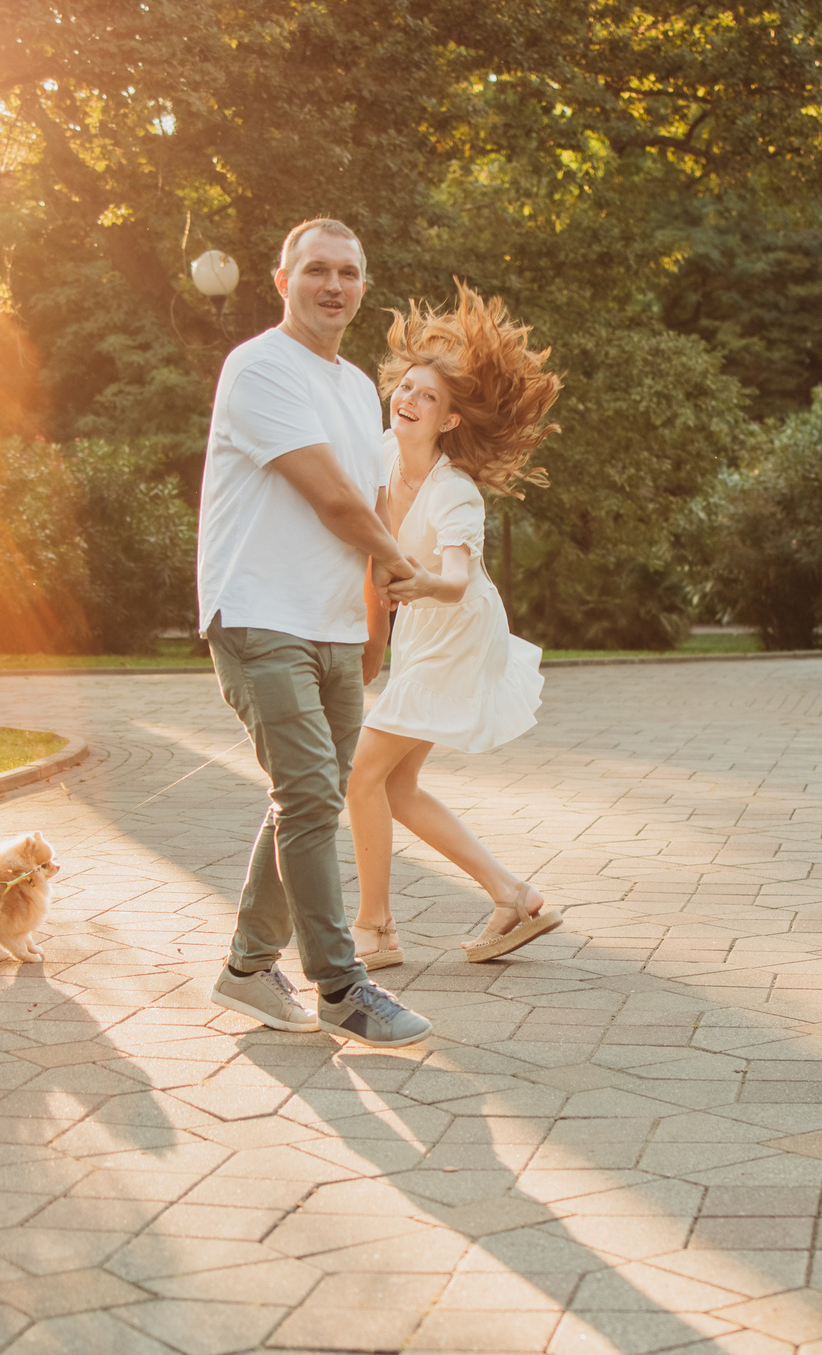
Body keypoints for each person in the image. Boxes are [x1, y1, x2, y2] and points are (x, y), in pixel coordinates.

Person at [197, 217, 434, 1048]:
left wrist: (376, 626)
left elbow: (371, 505)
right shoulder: (260, 366)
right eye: (316, 270)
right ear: (283, 280)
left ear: (363, 286)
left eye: (348, 273)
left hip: (330, 623)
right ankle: (340, 986)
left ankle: (245, 970)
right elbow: (331, 499)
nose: (334, 285)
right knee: (306, 796)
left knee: (311, 798)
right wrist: (399, 563)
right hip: (259, 613)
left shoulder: (357, 386)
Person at [346, 284, 567, 970]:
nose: (409, 400)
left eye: (428, 397)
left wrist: (412, 585)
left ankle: (375, 929)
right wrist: (376, 637)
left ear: (448, 419)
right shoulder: (381, 454)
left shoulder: (454, 491)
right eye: (406, 388)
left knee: (362, 776)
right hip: (423, 634)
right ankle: (515, 896)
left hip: (460, 633)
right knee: (395, 786)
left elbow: (457, 579)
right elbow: (367, 544)